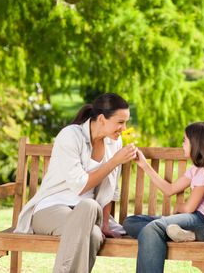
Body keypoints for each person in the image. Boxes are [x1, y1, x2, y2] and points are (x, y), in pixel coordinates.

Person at [14, 93, 138, 273]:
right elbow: (80, 186)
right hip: (50, 209)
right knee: (91, 225)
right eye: (120, 122)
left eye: (126, 122)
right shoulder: (70, 135)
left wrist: (104, 225)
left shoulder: (114, 143)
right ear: (102, 119)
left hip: (87, 214)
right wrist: (114, 162)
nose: (124, 128)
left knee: (95, 228)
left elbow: (111, 187)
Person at [123, 122, 204, 273]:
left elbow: (189, 208)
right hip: (192, 222)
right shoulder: (195, 170)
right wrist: (145, 165)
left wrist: (178, 207)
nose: (182, 143)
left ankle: (183, 234)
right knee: (130, 221)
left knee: (153, 229)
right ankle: (182, 235)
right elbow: (169, 189)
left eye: (185, 140)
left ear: (197, 144)